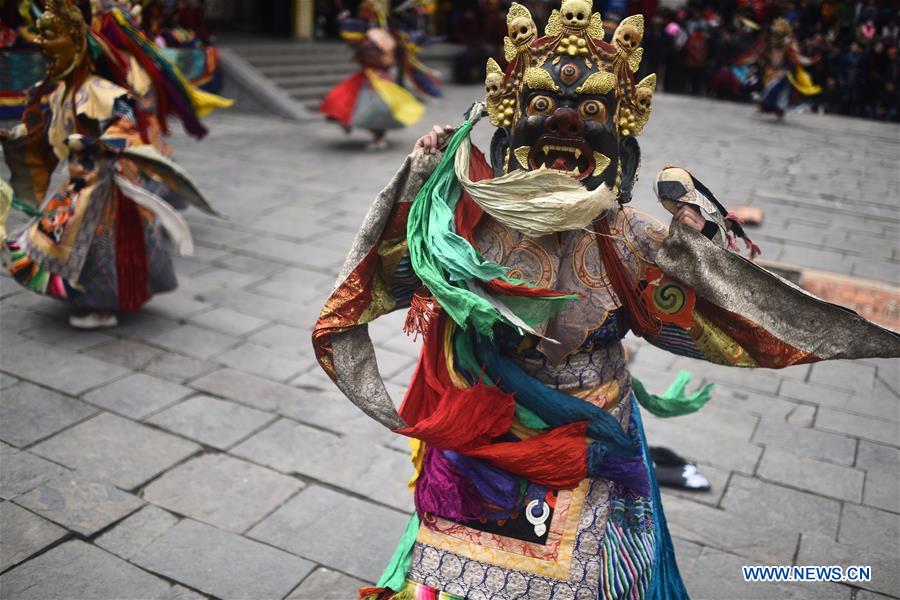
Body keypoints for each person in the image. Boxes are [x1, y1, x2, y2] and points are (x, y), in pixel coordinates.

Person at [312, 2, 900, 597]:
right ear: (509, 121)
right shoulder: (471, 217)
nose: (563, 121)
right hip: (481, 431)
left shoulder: (627, 235)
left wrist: (701, 243)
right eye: (540, 106)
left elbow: (710, 315)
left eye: (590, 110)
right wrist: (423, 183)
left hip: (589, 437)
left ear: (619, 133)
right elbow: (400, 276)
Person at [0, 0, 217, 329]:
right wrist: (15, 134)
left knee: (101, 247)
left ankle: (102, 307)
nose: (41, 44)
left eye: (51, 36)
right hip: (79, 183)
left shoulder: (101, 91)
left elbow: (126, 125)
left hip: (105, 187)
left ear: (75, 42)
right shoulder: (61, 91)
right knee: (60, 239)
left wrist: (98, 144)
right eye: (42, 36)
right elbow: (45, 130)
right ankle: (87, 297)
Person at [319, 0, 440, 150]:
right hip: (367, 76)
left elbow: (388, 57)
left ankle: (379, 138)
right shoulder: (364, 31)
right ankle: (346, 122)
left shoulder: (387, 34)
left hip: (380, 79)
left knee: (380, 109)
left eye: (369, 12)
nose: (366, 15)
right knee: (340, 99)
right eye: (364, 11)